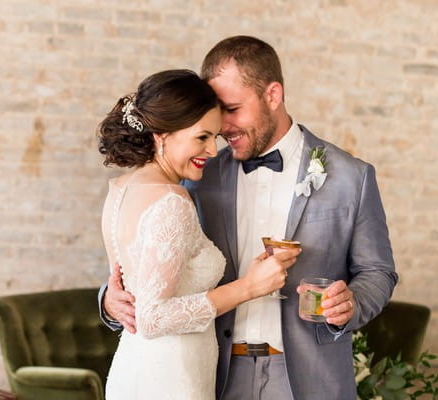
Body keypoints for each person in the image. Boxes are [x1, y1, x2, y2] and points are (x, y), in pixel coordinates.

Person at [101, 37, 398, 399]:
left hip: (308, 378)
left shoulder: (352, 176)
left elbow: (378, 271)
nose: (223, 127)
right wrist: (109, 299)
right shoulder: (197, 175)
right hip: (217, 376)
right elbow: (151, 264)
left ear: (273, 95)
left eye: (232, 108)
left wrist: (350, 302)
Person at [96, 69, 300, 400]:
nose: (211, 151)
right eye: (201, 137)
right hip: (171, 376)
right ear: (162, 135)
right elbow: (153, 317)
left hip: (135, 367)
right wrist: (249, 286)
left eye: (215, 138)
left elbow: (137, 290)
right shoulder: (172, 200)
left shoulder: (121, 189)